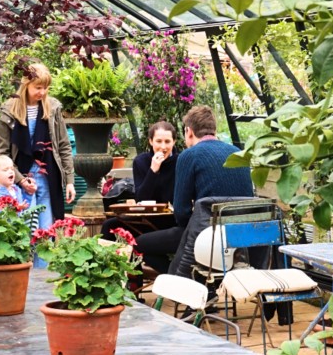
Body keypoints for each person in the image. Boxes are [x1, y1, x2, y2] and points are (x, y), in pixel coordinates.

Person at [134, 106, 253, 274]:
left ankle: (178, 277)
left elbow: (181, 213)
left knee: (138, 243)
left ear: (189, 131)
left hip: (206, 235)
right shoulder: (238, 154)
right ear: (214, 130)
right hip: (241, 235)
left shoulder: (188, 156)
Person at [0, 61, 76, 241]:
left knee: (47, 233)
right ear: (26, 85)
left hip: (47, 179)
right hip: (18, 182)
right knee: (24, 233)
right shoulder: (9, 111)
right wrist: (20, 180)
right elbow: (2, 153)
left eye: (46, 88)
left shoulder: (52, 108)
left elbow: (63, 146)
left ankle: (44, 260)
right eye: (38, 87)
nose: (43, 92)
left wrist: (69, 181)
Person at [100, 121, 178, 241]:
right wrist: (153, 170)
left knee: (142, 241)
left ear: (174, 142)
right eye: (158, 141)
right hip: (145, 217)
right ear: (151, 141)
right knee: (108, 225)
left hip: (171, 219)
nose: (163, 147)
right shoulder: (141, 161)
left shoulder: (180, 161)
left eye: (167, 141)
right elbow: (141, 198)